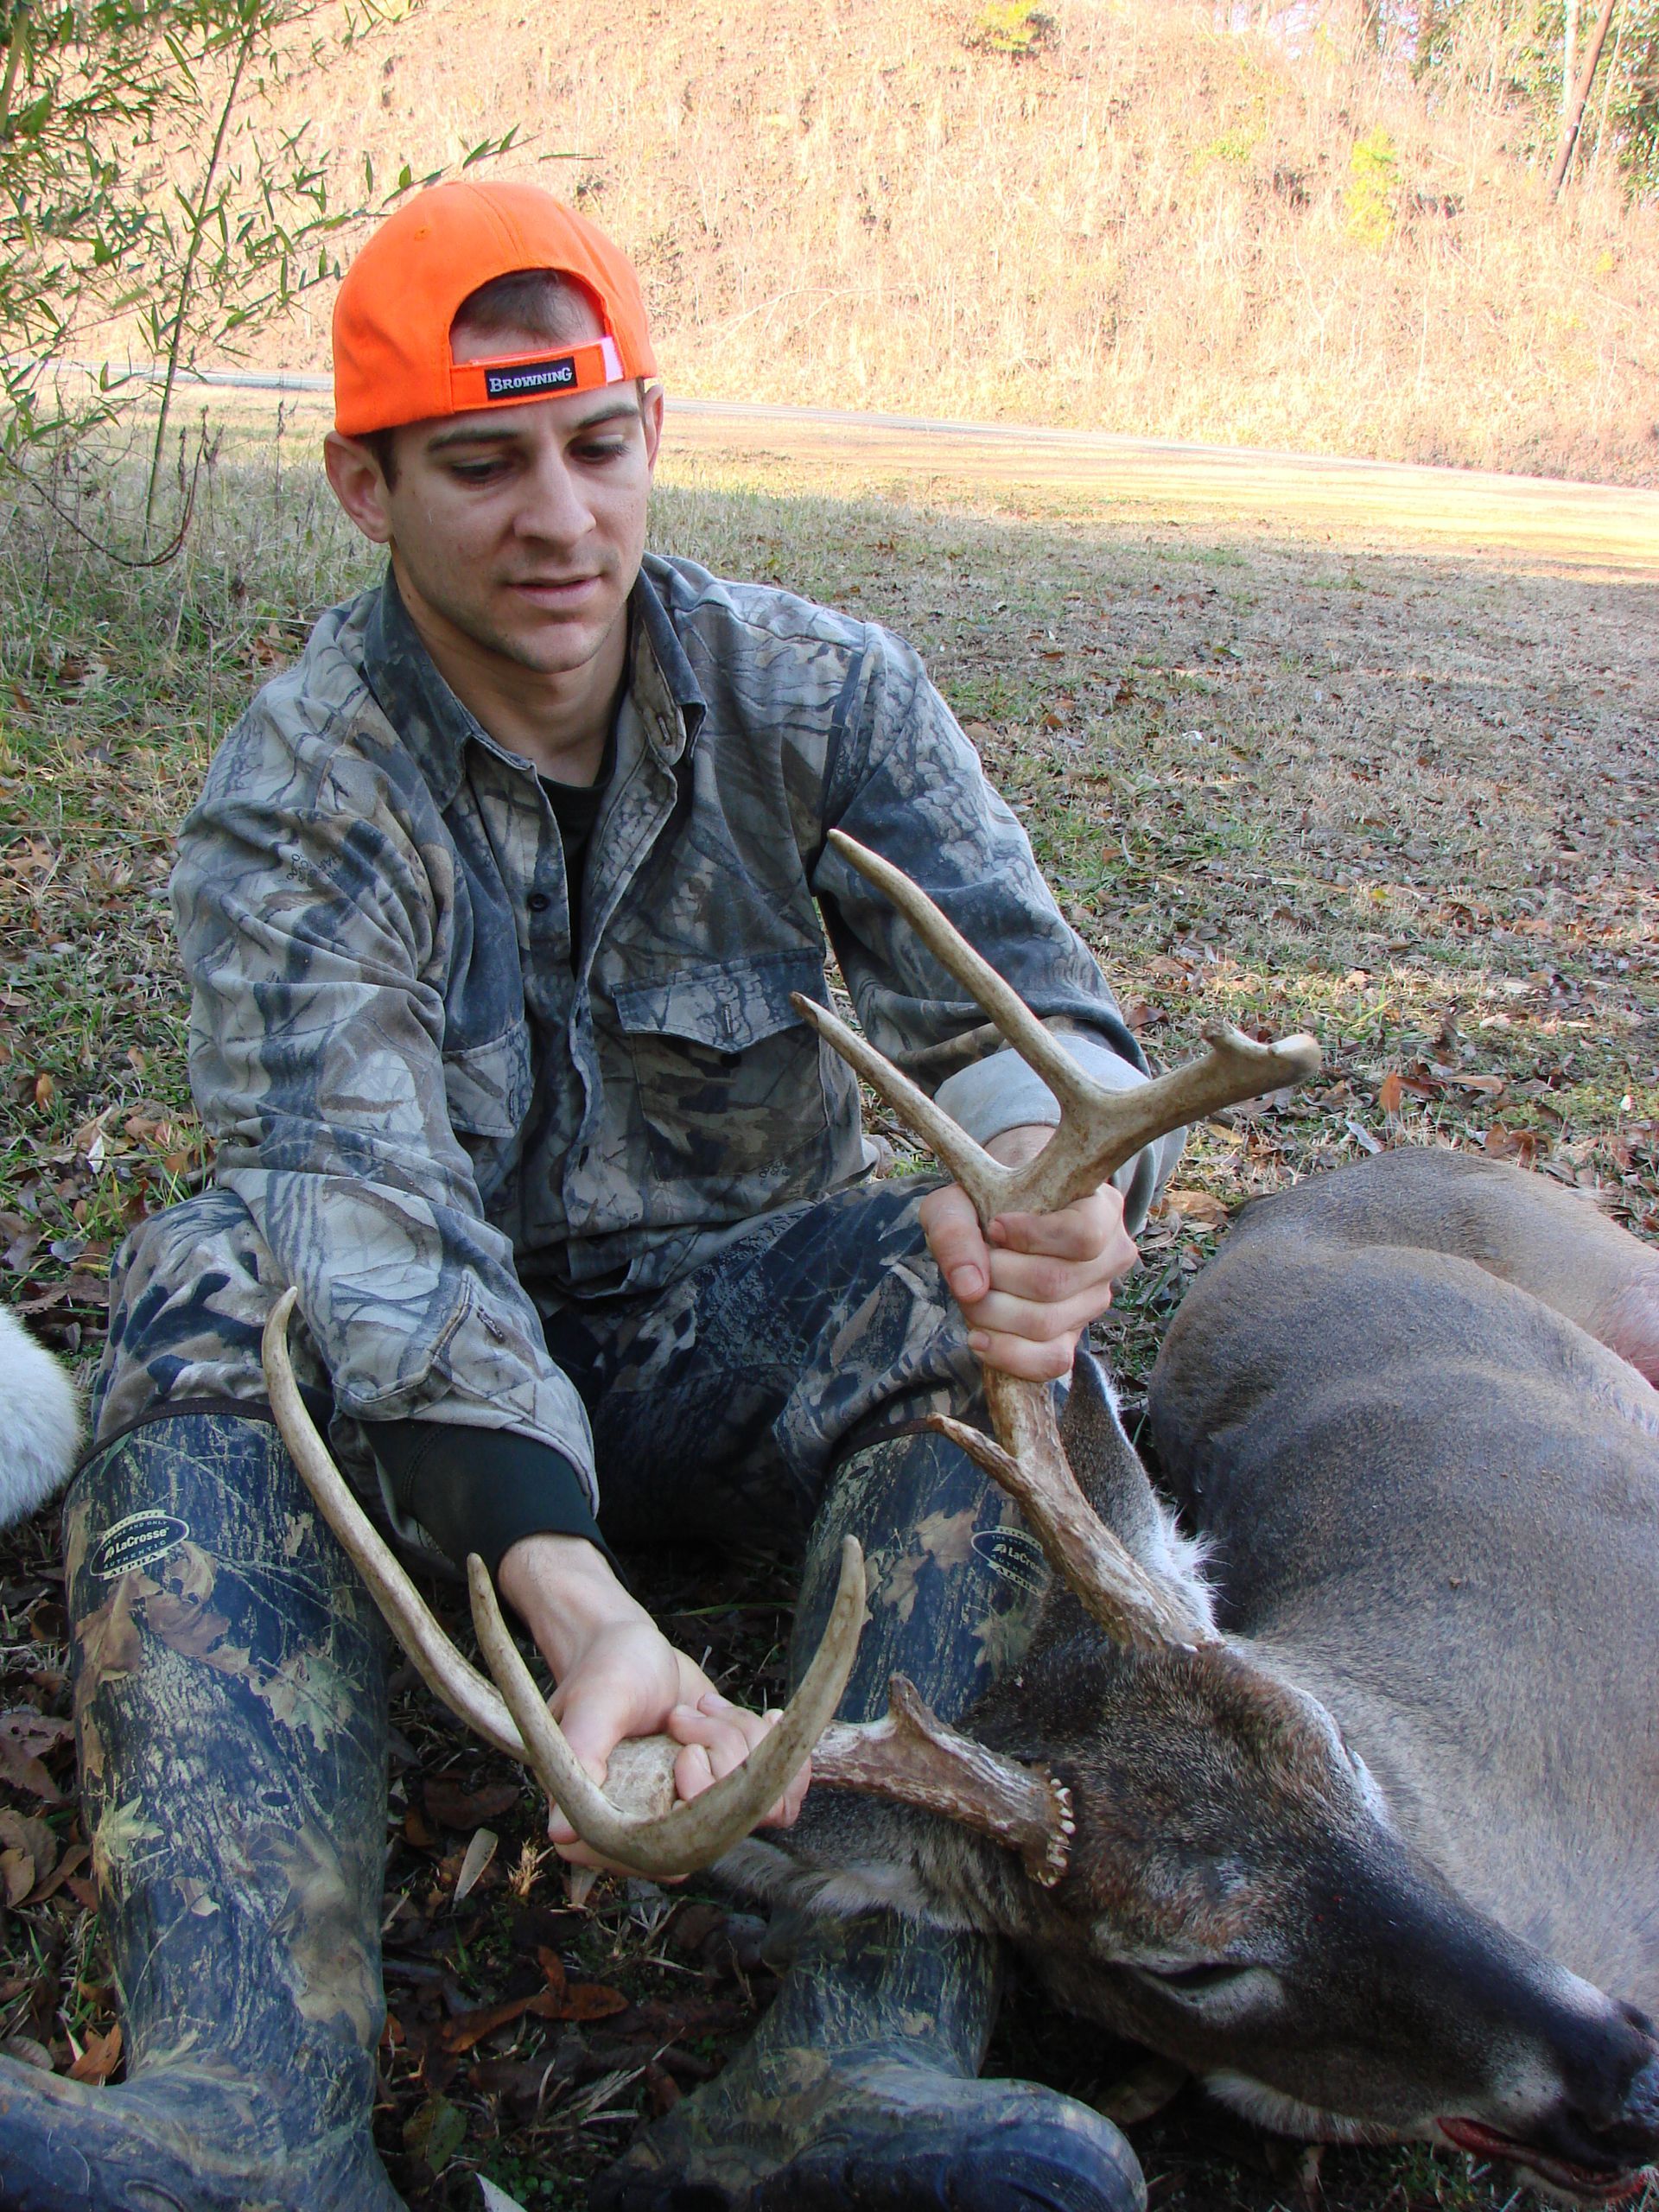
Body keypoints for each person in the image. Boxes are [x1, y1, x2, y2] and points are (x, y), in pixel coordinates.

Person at [0, 182, 1178, 2212]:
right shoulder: (303, 784)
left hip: (720, 1326)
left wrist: (1059, 1185)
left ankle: (857, 2060)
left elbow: (1033, 1016)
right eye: (481, 463)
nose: (559, 519)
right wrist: (577, 1598)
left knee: (959, 1286)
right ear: (364, 485)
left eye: (596, 444)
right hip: (415, 1392)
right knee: (215, 1278)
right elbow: (360, 1208)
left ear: (650, 432)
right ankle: (248, 2116)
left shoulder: (823, 700)